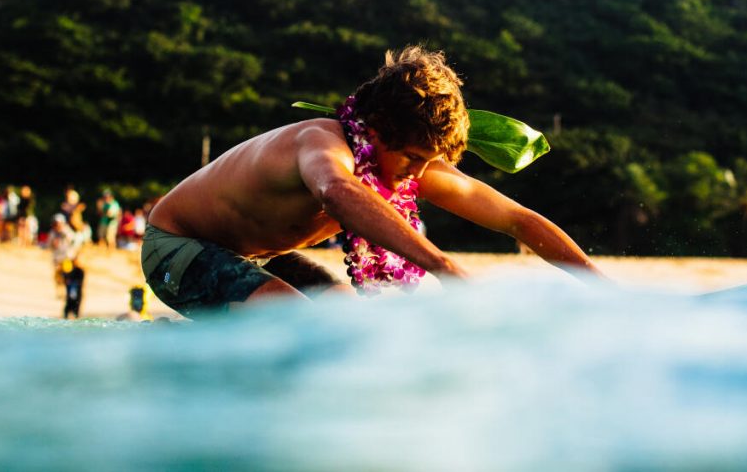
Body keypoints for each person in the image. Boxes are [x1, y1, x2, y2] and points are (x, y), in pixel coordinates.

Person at [144, 46, 604, 317]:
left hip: (263, 257)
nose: (419, 174)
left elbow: (517, 220)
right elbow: (336, 193)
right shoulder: (319, 143)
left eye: (431, 161)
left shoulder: (407, 162)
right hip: (178, 246)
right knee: (304, 327)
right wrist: (445, 267)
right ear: (376, 130)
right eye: (413, 157)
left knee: (355, 330)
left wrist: (606, 288)